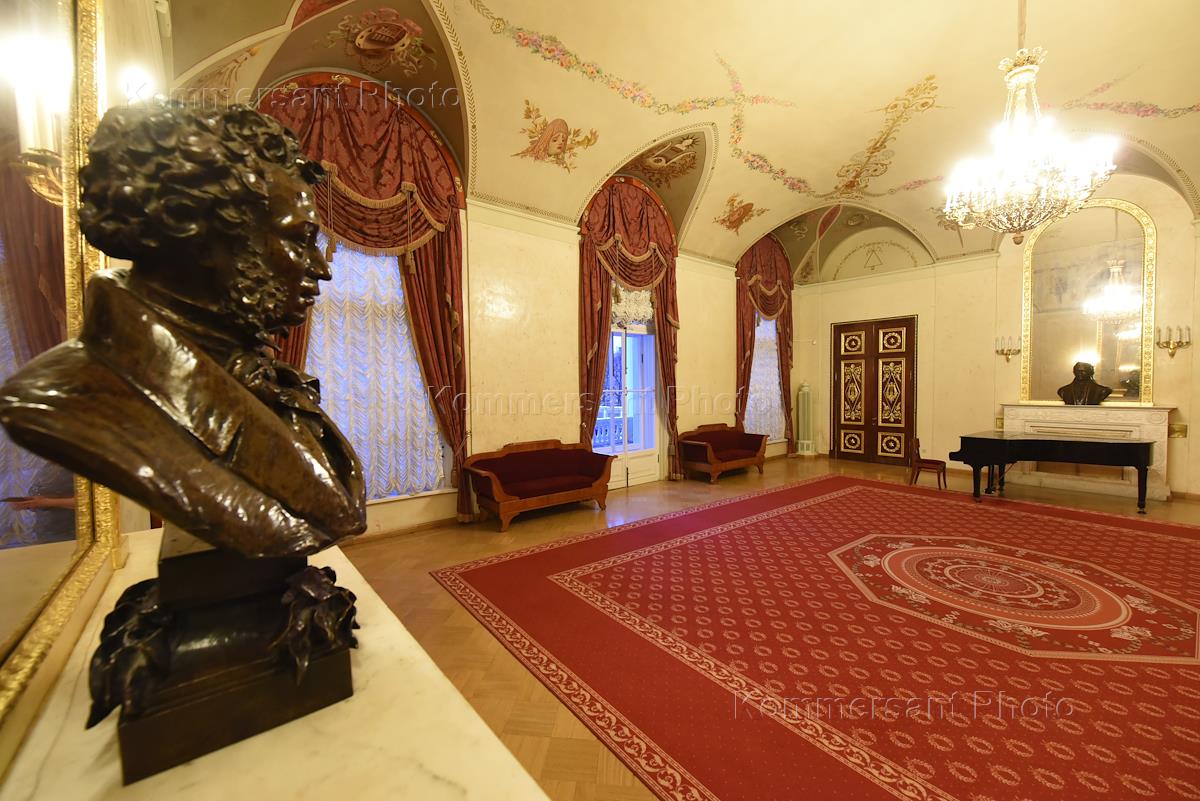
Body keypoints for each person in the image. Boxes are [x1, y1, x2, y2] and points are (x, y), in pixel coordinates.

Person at [0, 100, 366, 558]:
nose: (321, 268)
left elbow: (335, 506)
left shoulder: (252, 364)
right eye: (299, 239)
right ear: (197, 234)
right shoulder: (56, 400)